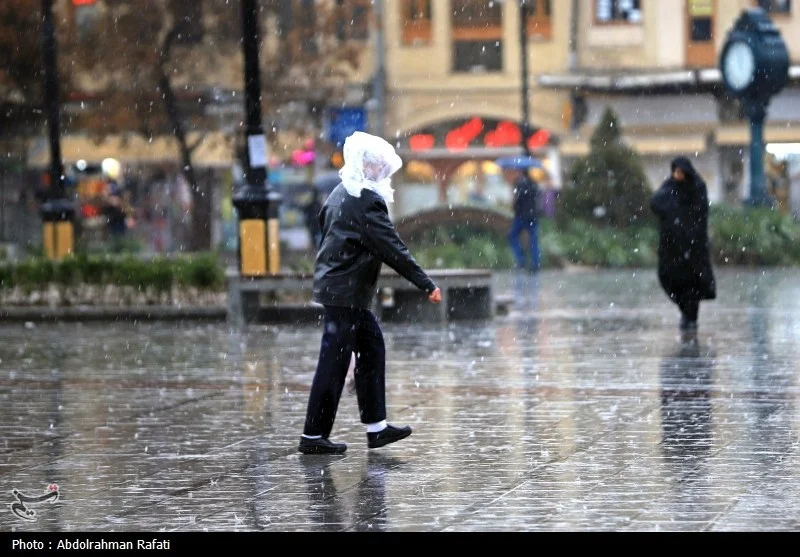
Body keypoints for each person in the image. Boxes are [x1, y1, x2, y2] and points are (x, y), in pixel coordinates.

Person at [298, 131, 442, 455]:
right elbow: (392, 248)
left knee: (371, 347)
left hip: (341, 288)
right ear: (365, 164)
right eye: (378, 166)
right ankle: (312, 436)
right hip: (345, 292)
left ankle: (376, 427)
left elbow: (326, 228)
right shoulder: (365, 200)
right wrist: (426, 283)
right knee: (333, 362)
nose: (383, 172)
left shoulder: (339, 193)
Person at [650, 157, 716, 333]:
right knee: (669, 277)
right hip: (671, 247)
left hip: (693, 247)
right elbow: (656, 203)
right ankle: (686, 313)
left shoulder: (697, 187)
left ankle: (690, 317)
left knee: (691, 283)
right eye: (675, 171)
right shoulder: (669, 187)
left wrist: (688, 229)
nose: (677, 175)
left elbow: (700, 214)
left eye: (680, 171)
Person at [506, 167, 541, 273]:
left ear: (521, 172)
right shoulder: (534, 184)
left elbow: (516, 201)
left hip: (521, 216)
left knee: (512, 236)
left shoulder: (519, 184)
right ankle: (535, 263)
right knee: (533, 240)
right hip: (533, 216)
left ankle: (521, 260)